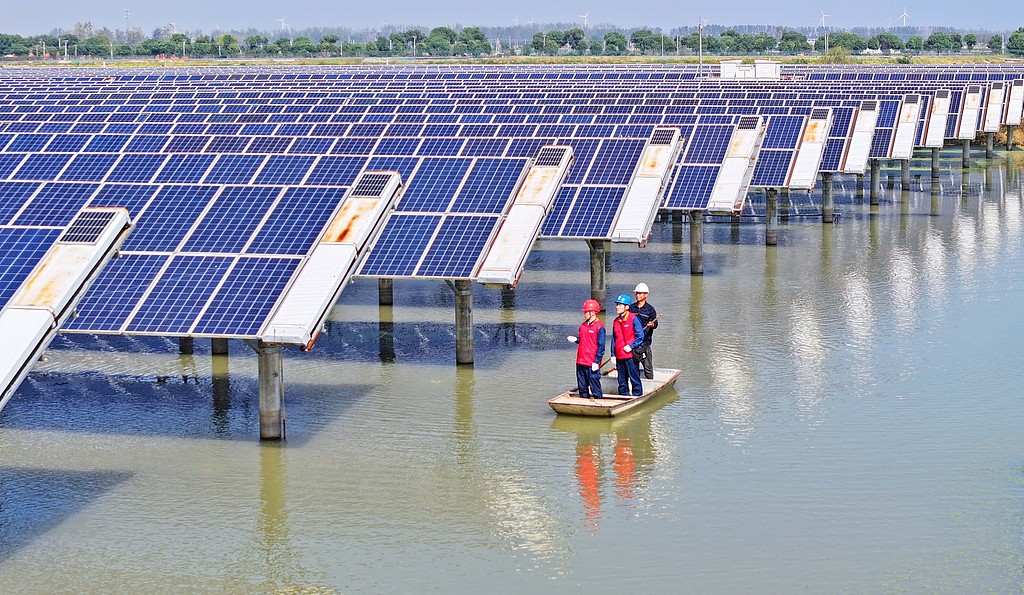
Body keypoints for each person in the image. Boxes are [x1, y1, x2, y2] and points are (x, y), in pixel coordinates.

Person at [567, 299, 606, 399]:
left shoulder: (599, 327)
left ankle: (599, 406)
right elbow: (584, 339)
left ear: (592, 312)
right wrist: (576, 339)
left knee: (595, 387)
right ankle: (584, 404)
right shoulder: (582, 326)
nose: (584, 314)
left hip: (591, 362)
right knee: (582, 388)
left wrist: (596, 362)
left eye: (586, 312)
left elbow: (601, 346)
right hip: (580, 361)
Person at [611, 293, 644, 397]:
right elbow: (614, 338)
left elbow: (640, 336)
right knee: (621, 381)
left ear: (626, 307)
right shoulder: (616, 321)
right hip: (619, 356)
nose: (617, 307)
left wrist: (631, 346)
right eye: (617, 304)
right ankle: (623, 397)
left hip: (630, 356)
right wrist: (613, 354)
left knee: (634, 379)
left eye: (620, 305)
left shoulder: (633, 319)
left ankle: (637, 397)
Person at [629, 282, 659, 380]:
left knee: (648, 369)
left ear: (646, 294)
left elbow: (656, 324)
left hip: (644, 344)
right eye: (637, 293)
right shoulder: (631, 308)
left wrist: (652, 324)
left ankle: (651, 384)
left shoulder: (650, 310)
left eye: (640, 293)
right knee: (633, 368)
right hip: (633, 344)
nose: (637, 295)